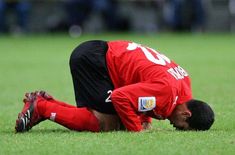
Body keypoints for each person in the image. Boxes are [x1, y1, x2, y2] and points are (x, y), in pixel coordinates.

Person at [15, 40, 215, 133]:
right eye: (182, 128)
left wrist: (143, 116)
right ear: (186, 115)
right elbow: (121, 97)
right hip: (93, 61)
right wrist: (136, 129)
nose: (175, 127)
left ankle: (45, 104)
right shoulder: (166, 92)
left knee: (117, 117)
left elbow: (144, 85)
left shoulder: (183, 84)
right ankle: (41, 107)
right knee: (107, 123)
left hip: (102, 56)